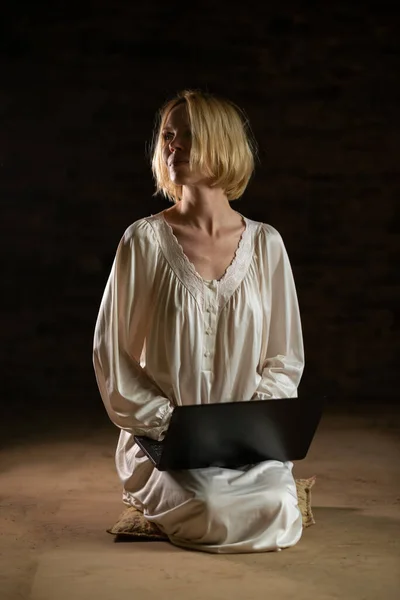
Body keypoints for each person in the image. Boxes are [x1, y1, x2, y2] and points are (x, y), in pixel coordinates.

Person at [93, 89, 305, 554]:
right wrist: (169, 423)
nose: (174, 147)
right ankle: (152, 487)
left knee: (275, 505)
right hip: (165, 438)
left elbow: (283, 356)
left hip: (245, 439)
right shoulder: (143, 242)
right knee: (210, 506)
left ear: (224, 145)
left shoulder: (267, 245)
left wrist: (250, 422)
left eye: (190, 136)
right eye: (169, 135)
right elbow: (114, 356)